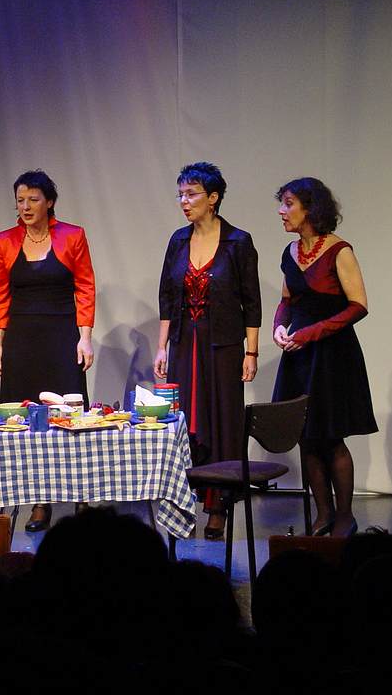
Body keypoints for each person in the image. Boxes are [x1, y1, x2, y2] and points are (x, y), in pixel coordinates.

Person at [153, 162, 261, 540]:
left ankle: (218, 506)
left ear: (213, 198)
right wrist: (162, 347)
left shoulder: (237, 242)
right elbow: (168, 298)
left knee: (221, 422)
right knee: (185, 422)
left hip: (223, 346)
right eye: (181, 194)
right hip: (185, 343)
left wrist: (251, 352)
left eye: (192, 194)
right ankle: (183, 501)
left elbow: (251, 301)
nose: (184, 201)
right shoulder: (178, 241)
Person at [0, 169, 96, 532]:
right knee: (29, 422)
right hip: (22, 338)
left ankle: (82, 495)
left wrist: (85, 337)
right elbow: (0, 293)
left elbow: (85, 287)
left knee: (71, 416)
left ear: (49, 202)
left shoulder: (72, 235)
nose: (25, 206)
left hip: (62, 333)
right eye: (20, 200)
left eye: (33, 199)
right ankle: (40, 501)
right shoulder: (6, 240)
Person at [271, 177, 377, 538]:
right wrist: (279, 327)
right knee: (307, 436)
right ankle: (323, 514)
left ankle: (344, 516)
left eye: (288, 204)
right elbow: (287, 301)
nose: (282, 211)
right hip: (299, 356)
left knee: (331, 437)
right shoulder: (290, 253)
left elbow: (358, 305)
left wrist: (310, 334)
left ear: (310, 208)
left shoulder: (338, 250)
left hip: (332, 355)